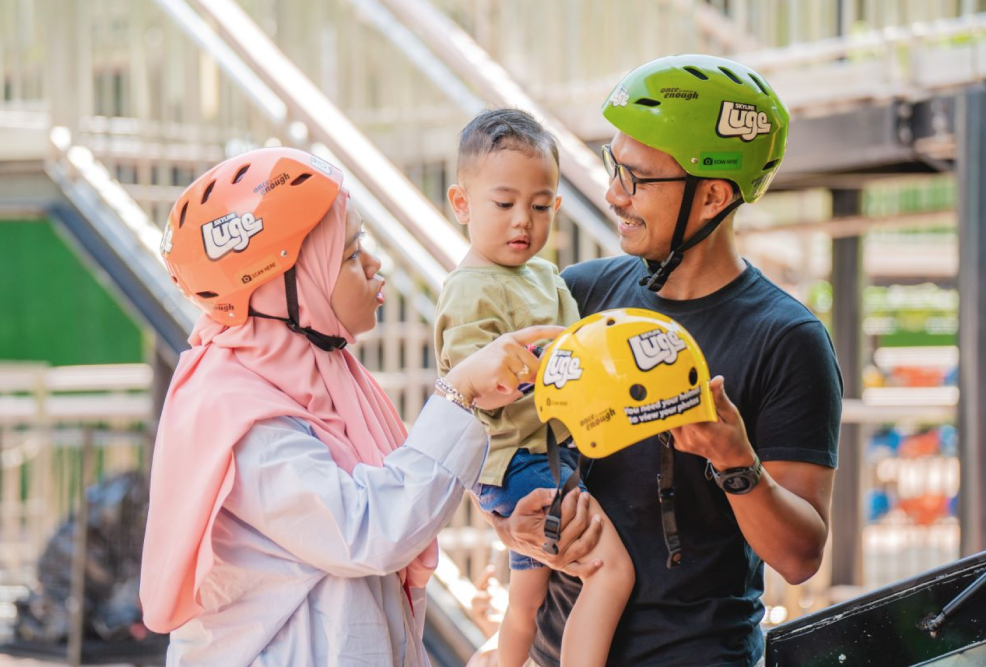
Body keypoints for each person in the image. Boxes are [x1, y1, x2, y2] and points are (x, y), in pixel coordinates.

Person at [137, 147, 600, 666]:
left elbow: (409, 484)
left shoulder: (323, 376)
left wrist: (501, 516)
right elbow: (368, 529)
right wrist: (459, 392)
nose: (375, 264)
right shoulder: (240, 415)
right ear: (288, 282)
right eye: (350, 253)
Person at [490, 55, 844, 666]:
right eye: (613, 165)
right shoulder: (582, 294)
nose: (612, 194)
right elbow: (507, 440)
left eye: (637, 178)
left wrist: (736, 462)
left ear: (711, 196)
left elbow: (800, 555)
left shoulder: (786, 338)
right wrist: (511, 524)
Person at [434, 109, 634, 667]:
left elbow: (580, 348)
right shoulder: (469, 290)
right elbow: (476, 385)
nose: (523, 220)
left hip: (552, 451)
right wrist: (544, 365)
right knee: (609, 570)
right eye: (504, 204)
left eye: (540, 206)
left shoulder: (548, 277)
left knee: (528, 596)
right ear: (461, 204)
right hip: (516, 460)